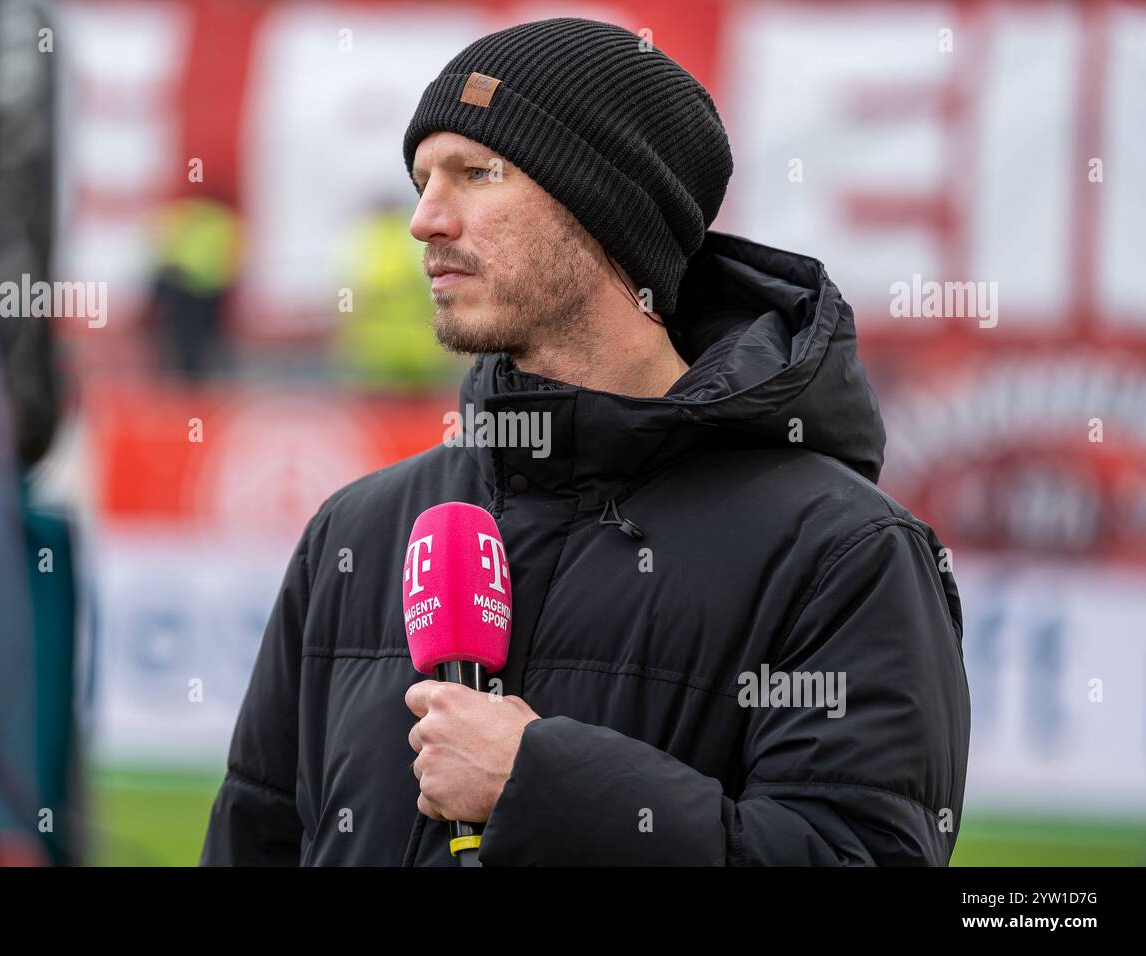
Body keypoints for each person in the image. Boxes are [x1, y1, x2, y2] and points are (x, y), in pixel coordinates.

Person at [200, 16, 969, 866]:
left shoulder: (843, 553)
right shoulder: (355, 532)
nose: (424, 221)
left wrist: (544, 784)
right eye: (422, 179)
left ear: (605, 205)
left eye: (474, 174)